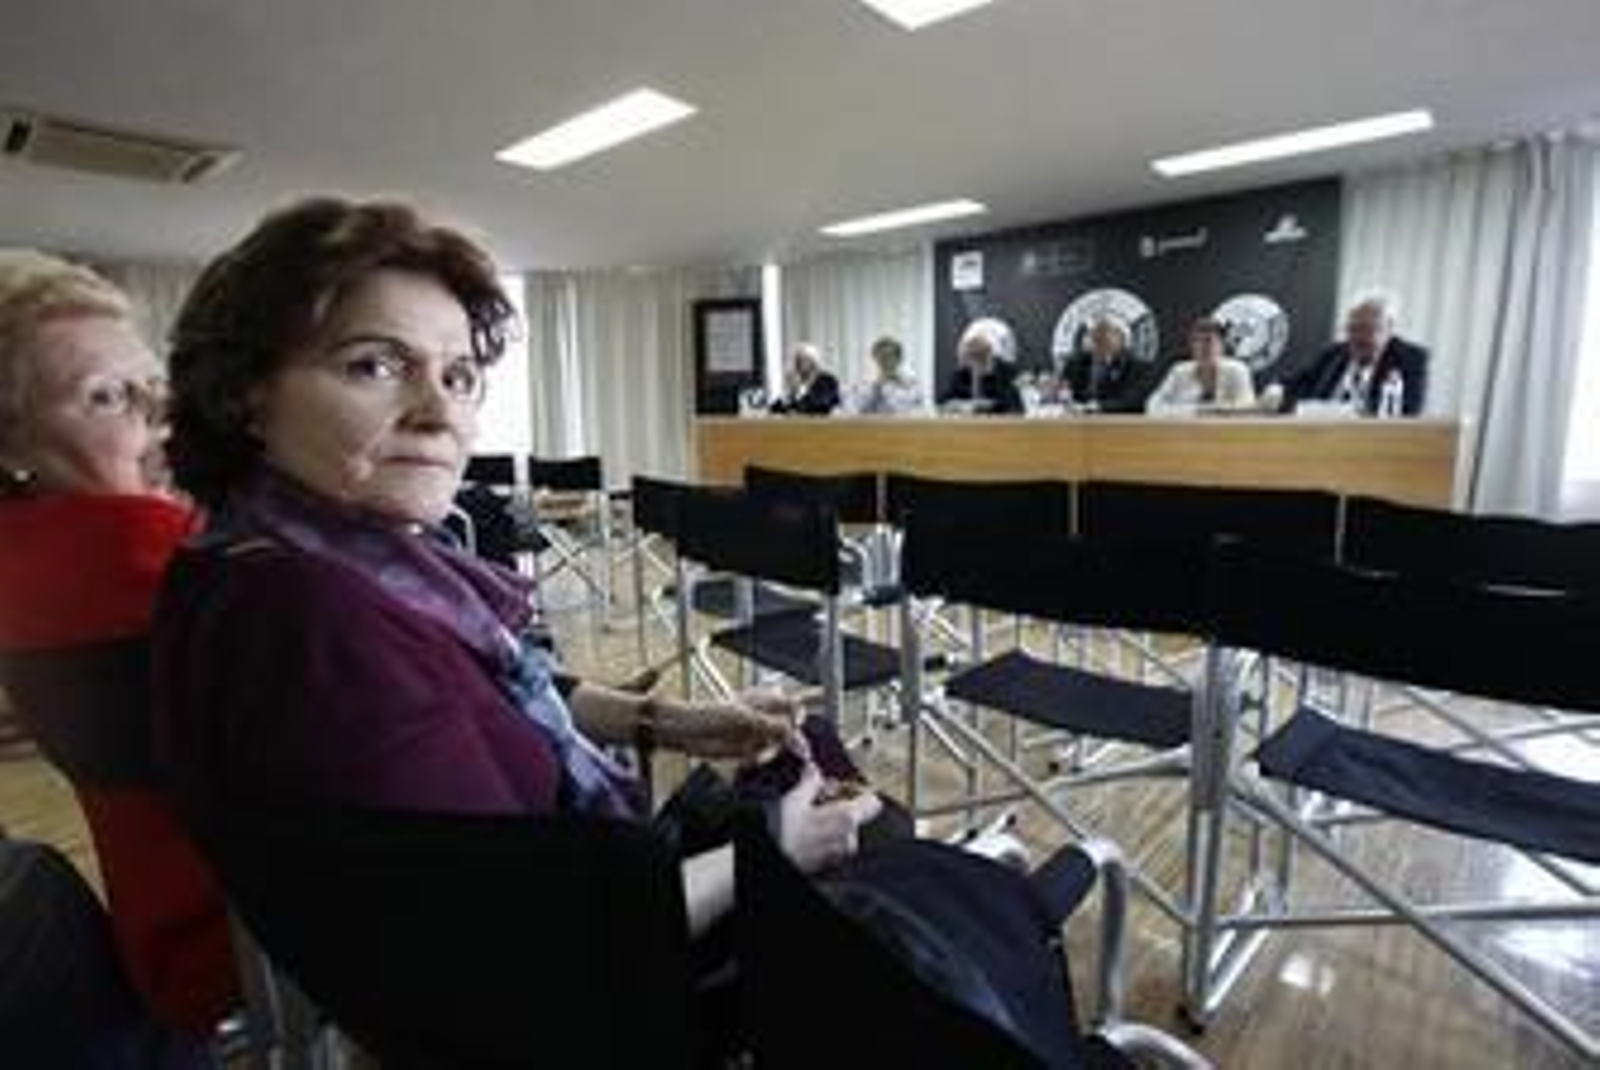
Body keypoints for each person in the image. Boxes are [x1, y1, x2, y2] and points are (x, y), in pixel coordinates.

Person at [153, 196, 881, 941]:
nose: (440, 413)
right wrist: (772, 855)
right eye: (374, 364)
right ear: (245, 392)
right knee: (872, 828)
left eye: (460, 375)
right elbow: (527, 942)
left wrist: (669, 722)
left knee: (812, 754)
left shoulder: (274, 559)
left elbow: (476, 692)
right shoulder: (310, 624)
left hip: (600, 880)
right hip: (626, 977)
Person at [0, 250, 237, 1043]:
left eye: (151, 389)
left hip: (161, 934)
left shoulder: (23, 558)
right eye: (105, 398)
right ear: (12, 445)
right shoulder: (139, 544)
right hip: (266, 936)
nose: (158, 421)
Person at [1281, 294, 1429, 415]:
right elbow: (1297, 383)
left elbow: (1407, 410)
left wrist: (1343, 411)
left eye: (1366, 329)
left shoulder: (1411, 359)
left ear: (1389, 328)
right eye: (1352, 329)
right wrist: (1276, 391)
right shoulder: (1334, 353)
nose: (1357, 337)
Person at [1144, 317, 1257, 414]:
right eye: (1197, 341)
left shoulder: (1238, 371)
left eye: (1209, 341)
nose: (1203, 347)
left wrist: (1214, 412)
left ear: (1222, 346)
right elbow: (1152, 406)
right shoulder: (1178, 371)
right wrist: (1197, 411)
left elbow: (1246, 411)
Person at [1057, 318, 1150, 413]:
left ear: (1120, 343)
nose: (1101, 348)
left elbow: (1133, 401)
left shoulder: (1137, 367)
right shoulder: (1075, 363)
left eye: (1106, 343)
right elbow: (1064, 390)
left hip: (1121, 423)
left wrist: (1098, 406)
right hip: (1081, 421)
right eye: (1096, 341)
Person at [940, 316, 1024, 415]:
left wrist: (990, 406)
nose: (976, 366)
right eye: (972, 359)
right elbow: (943, 402)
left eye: (980, 359)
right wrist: (957, 405)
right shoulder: (962, 375)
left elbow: (1016, 409)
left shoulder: (1005, 374)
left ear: (990, 356)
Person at [847, 335, 926, 415]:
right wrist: (877, 387)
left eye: (890, 356)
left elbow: (917, 411)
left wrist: (898, 383)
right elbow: (858, 410)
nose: (886, 361)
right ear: (876, 359)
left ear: (898, 359)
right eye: (882, 357)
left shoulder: (912, 386)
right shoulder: (865, 386)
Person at [768, 341, 841, 415]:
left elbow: (819, 405)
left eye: (803, 360)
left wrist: (799, 392)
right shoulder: (798, 382)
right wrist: (792, 391)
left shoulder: (827, 381)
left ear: (813, 361)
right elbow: (775, 408)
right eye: (797, 360)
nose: (798, 364)